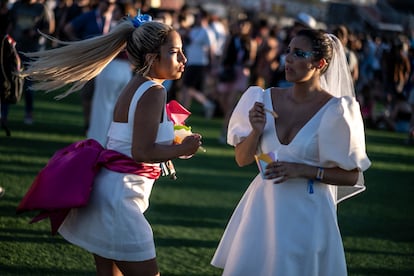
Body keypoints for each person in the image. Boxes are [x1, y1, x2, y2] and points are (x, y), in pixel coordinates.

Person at [20, 12, 202, 275]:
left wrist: (169, 147)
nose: (184, 59)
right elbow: (141, 151)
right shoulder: (154, 91)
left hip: (107, 193)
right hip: (120, 201)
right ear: (152, 57)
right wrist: (182, 149)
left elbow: (129, 144)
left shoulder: (137, 84)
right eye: (175, 52)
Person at [211, 29, 371, 275]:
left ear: (320, 63)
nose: (288, 59)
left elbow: (351, 176)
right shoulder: (262, 98)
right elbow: (242, 159)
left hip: (309, 214)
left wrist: (302, 170)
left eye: (299, 53)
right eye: (288, 51)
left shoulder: (337, 111)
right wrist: (256, 131)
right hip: (263, 209)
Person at [86, 1, 133, 146]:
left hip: (113, 68)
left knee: (102, 106)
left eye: (116, 10)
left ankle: (97, 140)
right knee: (114, 107)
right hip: (126, 71)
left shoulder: (117, 28)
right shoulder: (133, 30)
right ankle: (110, 141)